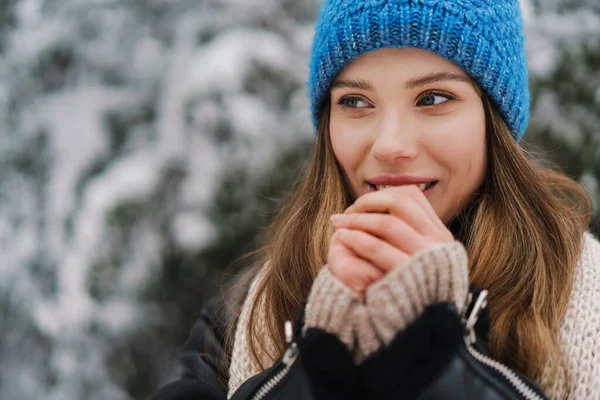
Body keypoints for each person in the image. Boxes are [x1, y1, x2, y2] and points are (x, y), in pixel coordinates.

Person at [153, 0, 600, 399]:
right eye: (355, 102)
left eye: (433, 97)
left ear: (493, 118)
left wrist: (444, 358)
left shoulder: (587, 296)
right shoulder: (249, 307)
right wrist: (321, 353)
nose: (389, 145)